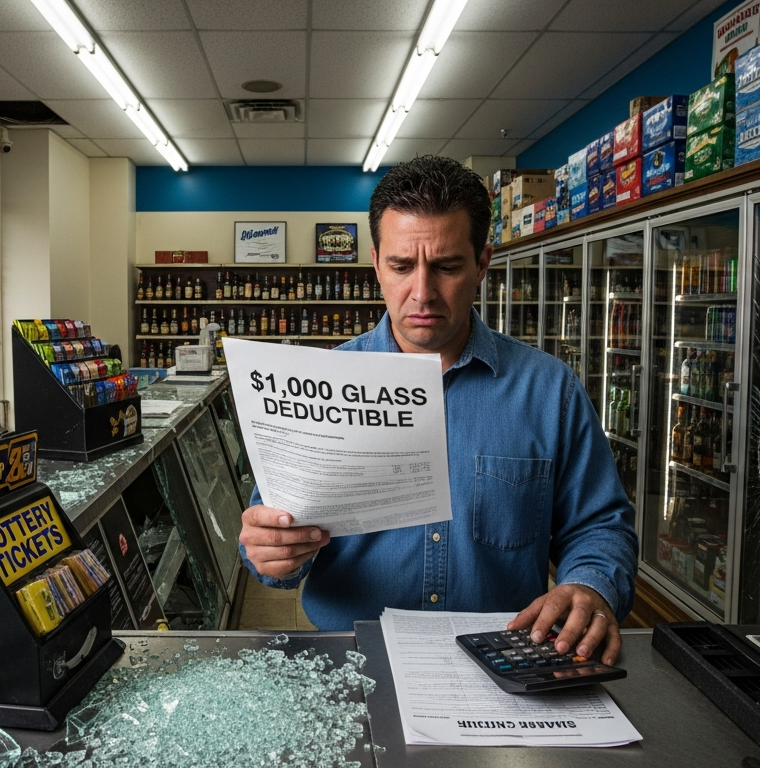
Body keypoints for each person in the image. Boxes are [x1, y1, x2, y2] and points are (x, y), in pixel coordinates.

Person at [237, 156, 638, 665]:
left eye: (446, 266)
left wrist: (591, 585)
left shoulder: (549, 390)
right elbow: (270, 546)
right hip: (349, 660)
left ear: (482, 264)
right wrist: (271, 554)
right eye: (402, 267)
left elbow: (600, 523)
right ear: (377, 265)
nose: (422, 293)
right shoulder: (319, 386)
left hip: (505, 661)